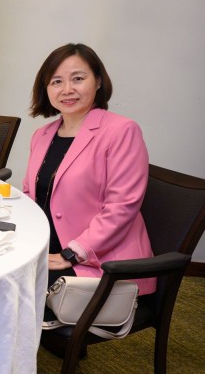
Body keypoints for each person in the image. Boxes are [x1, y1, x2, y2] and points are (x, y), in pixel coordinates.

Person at [22, 43, 154, 294]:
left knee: (12, 293)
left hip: (98, 263)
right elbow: (31, 195)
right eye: (56, 81)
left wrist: (71, 254)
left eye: (78, 79)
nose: (67, 89)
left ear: (98, 82)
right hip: (46, 251)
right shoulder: (42, 135)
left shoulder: (121, 131)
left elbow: (121, 207)